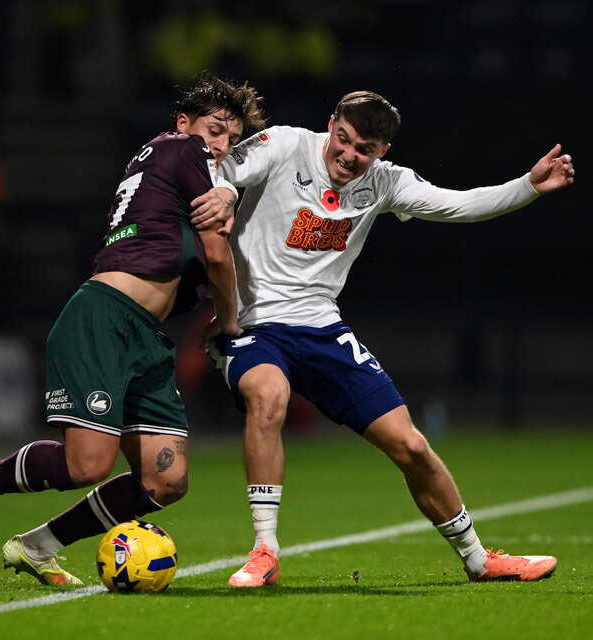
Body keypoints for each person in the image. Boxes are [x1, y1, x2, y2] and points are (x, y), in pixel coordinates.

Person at [211, 90, 574, 586]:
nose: (348, 155)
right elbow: (222, 168)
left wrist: (527, 186)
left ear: (382, 151)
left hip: (323, 329)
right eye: (343, 139)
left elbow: (458, 205)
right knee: (268, 397)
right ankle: (264, 551)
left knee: (411, 445)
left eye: (364, 149)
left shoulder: (386, 181)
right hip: (254, 325)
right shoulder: (285, 144)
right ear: (331, 123)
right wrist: (226, 192)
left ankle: (478, 559)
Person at [0, 71, 266, 586]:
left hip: (145, 334)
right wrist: (228, 319)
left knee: (166, 480)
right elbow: (217, 255)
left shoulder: (169, 163)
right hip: (105, 318)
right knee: (85, 466)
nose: (221, 145)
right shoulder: (182, 149)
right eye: (215, 130)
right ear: (184, 123)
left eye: (232, 139)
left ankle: (37, 546)